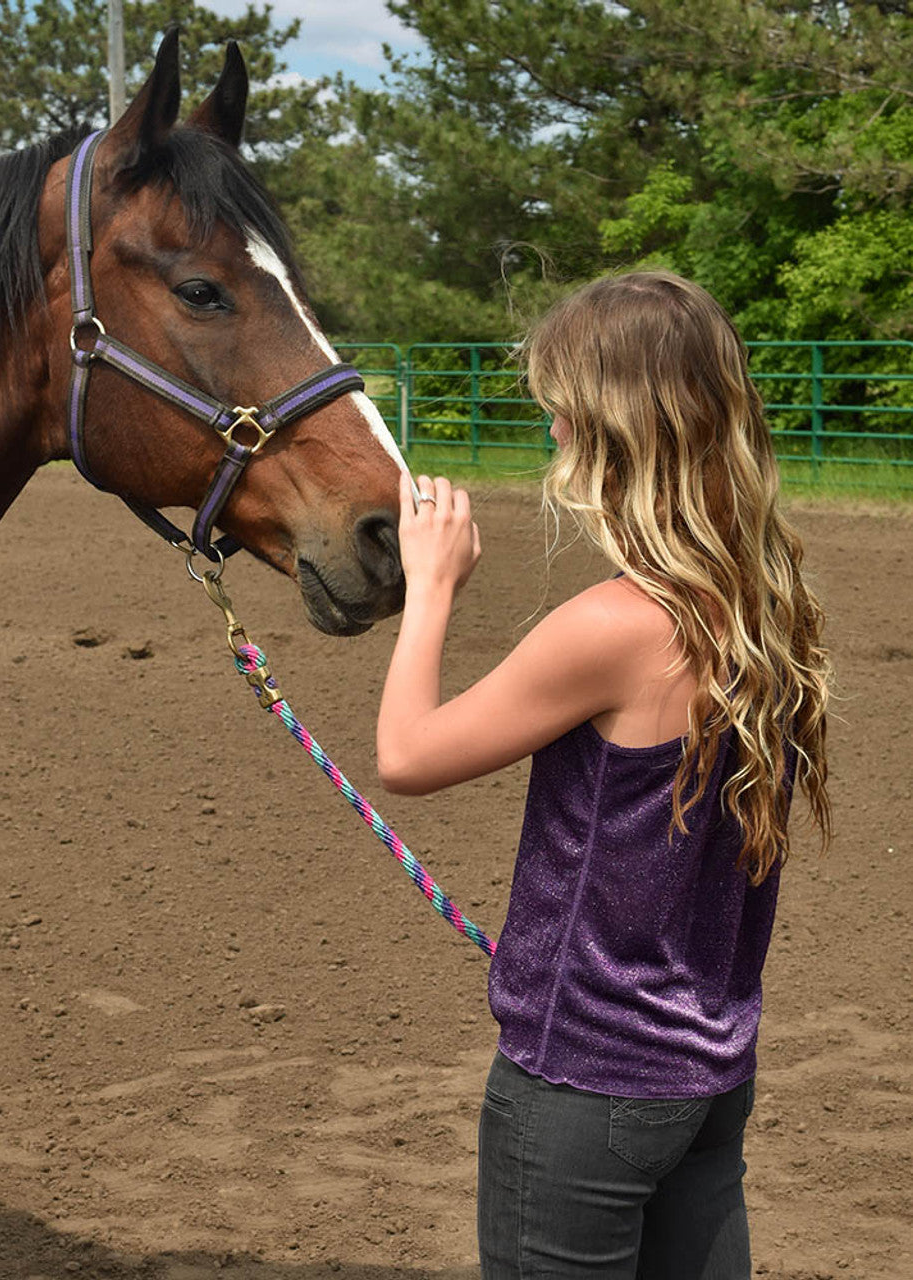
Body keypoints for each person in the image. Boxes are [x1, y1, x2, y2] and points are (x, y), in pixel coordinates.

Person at [375, 270, 831, 1279]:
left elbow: (405, 754)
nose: (549, 443)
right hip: (706, 1074)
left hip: (581, 1088)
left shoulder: (610, 626)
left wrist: (429, 588)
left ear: (610, 433)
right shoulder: (766, 600)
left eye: (559, 420)